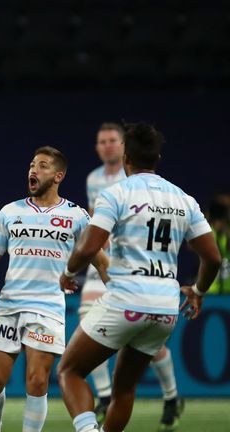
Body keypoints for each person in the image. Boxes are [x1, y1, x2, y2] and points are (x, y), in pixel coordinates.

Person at [56, 123, 221, 432]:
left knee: (69, 370)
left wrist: (67, 272)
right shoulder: (184, 199)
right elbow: (212, 257)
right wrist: (198, 290)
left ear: (126, 157)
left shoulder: (116, 193)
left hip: (126, 299)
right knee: (125, 389)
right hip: (165, 308)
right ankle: (168, 398)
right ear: (157, 157)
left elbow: (89, 246)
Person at [0, 146, 107, 432]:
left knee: (37, 381)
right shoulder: (10, 212)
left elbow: (101, 260)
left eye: (42, 166)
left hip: (48, 307)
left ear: (58, 176)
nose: (33, 170)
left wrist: (119, 292)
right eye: (31, 165)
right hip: (9, 305)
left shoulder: (77, 216)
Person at [82, 123, 185, 429]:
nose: (107, 146)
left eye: (113, 140)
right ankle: (103, 395)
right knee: (89, 320)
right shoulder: (94, 178)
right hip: (105, 258)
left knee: (142, 332)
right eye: (102, 141)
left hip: (137, 263)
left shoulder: (142, 180)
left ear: (124, 148)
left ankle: (171, 396)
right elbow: (93, 220)